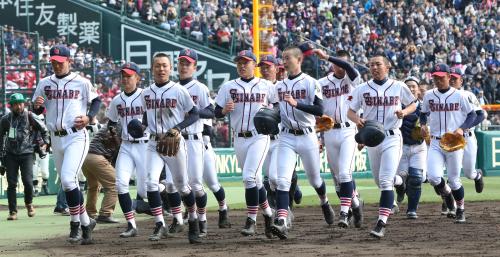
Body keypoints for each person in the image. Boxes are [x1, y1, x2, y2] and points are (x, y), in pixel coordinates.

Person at [32, 45, 101, 245]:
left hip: (76, 136)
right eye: (53, 61)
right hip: (55, 136)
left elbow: (96, 101)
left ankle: (75, 224)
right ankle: (87, 222)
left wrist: (89, 117)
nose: (56, 65)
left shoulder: (81, 82)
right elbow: (36, 110)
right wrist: (36, 106)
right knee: (67, 183)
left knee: (69, 180)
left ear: (68, 61)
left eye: (60, 62)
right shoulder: (45, 83)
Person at [269, 45, 335, 239]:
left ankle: (324, 201)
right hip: (287, 136)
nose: (284, 60)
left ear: (299, 60)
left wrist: (297, 104)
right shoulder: (278, 87)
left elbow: (319, 109)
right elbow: (276, 111)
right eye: (283, 57)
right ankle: (281, 220)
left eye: (288, 57)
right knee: (282, 180)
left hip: (307, 135)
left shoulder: (310, 82)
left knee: (315, 180)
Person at [347, 54, 416, 238]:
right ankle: (401, 181)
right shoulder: (362, 89)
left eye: (378, 64)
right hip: (371, 138)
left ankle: (381, 223)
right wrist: (357, 120)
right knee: (380, 181)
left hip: (392, 136)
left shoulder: (399, 86)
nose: (374, 67)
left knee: (385, 181)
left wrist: (404, 111)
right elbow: (350, 112)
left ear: (387, 67)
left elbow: (413, 104)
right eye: (371, 65)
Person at [141, 52, 201, 244]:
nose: (161, 69)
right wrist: (139, 127)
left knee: (182, 186)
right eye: (157, 65)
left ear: (170, 68)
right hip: (153, 143)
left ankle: (192, 220)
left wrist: (177, 128)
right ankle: (160, 224)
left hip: (174, 143)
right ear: (152, 69)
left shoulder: (178, 90)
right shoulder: (146, 93)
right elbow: (145, 118)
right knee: (150, 183)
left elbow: (194, 114)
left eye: (165, 65)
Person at [214, 50, 275, 238]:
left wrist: (272, 116)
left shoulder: (266, 85)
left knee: (249, 177)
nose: (241, 65)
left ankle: (251, 220)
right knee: (255, 181)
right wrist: (223, 110)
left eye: (246, 62)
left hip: (259, 136)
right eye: (239, 62)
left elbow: (279, 108)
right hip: (239, 138)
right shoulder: (228, 87)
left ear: (254, 65)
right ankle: (268, 214)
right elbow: (216, 112)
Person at [420, 63, 477, 224]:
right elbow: (423, 114)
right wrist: (423, 124)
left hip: (454, 142)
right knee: (432, 177)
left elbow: (472, 115)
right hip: (436, 141)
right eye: (435, 77)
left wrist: (462, 128)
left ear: (449, 77)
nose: (438, 80)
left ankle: (460, 208)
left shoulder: (460, 95)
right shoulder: (429, 95)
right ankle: (447, 194)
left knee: (454, 180)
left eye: (441, 77)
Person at [315, 49, 364, 228]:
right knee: (338, 177)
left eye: (341, 63)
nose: (339, 66)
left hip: (348, 131)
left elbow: (347, 67)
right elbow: (318, 111)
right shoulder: (321, 83)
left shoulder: (353, 79)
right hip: (329, 132)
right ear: (331, 66)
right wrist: (319, 135)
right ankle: (356, 205)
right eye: (335, 63)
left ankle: (344, 213)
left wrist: (327, 56)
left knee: (345, 172)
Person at [107, 62, 150, 238]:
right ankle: (131, 224)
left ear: (137, 78)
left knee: (146, 190)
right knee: (120, 184)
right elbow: (111, 122)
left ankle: (164, 214)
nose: (125, 79)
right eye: (123, 76)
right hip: (126, 145)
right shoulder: (117, 100)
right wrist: (111, 134)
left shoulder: (146, 96)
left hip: (146, 145)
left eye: (129, 76)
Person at [259, 54, 302, 217]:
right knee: (270, 180)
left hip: (281, 139)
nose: (264, 70)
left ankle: (285, 210)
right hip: (262, 139)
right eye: (262, 67)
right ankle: (293, 185)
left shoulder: (284, 88)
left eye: (268, 66)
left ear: (277, 69)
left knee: (276, 178)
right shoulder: (257, 86)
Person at [0, 93, 49, 220]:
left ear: (24, 104)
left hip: (27, 153)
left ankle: (29, 204)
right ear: (11, 106)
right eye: (15, 104)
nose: (18, 106)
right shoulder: (5, 119)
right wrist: (1, 156)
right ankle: (13, 212)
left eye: (20, 103)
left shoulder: (30, 116)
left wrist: (45, 144)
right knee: (11, 184)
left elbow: (44, 130)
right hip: (10, 155)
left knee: (28, 182)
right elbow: (0, 138)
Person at [392, 76, 427, 219]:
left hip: (418, 147)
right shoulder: (394, 107)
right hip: (401, 147)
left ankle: (412, 210)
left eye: (413, 86)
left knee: (417, 178)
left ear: (418, 90)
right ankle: (400, 190)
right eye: (408, 87)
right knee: (399, 179)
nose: (411, 89)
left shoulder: (425, 106)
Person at [449, 67, 486, 193]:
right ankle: (449, 203)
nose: (452, 80)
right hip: (451, 138)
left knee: (469, 173)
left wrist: (464, 127)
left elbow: (481, 115)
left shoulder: (468, 95)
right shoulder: (443, 96)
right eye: (450, 78)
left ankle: (477, 175)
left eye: (455, 78)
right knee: (453, 174)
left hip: (468, 137)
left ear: (461, 81)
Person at [81, 123, 120, 224]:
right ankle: (105, 214)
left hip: (86, 156)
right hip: (97, 157)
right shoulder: (121, 125)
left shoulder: (111, 124)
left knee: (93, 186)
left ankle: (90, 214)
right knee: (114, 183)